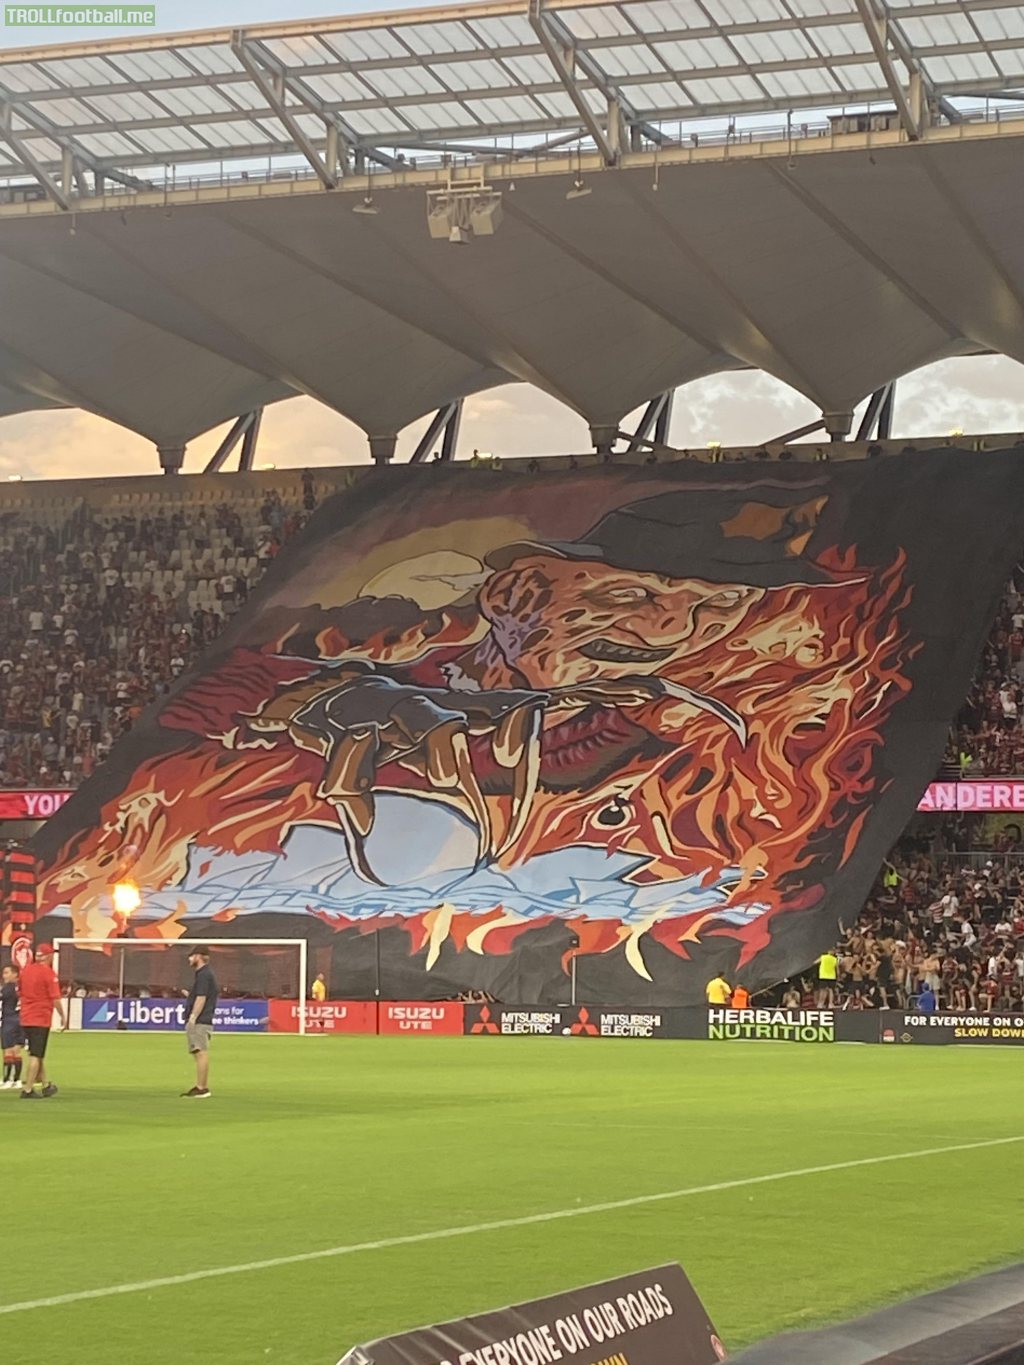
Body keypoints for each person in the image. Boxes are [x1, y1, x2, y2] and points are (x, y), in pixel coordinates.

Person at [18, 944, 67, 1100]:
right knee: (36, 1054)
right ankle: (27, 1089)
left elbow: (20, 992)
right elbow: (55, 997)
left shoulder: (26, 971)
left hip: (26, 1017)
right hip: (40, 1017)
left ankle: (46, 1085)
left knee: (36, 1053)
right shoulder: (48, 973)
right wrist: (63, 1016)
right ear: (48, 956)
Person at [181, 947, 218, 1099]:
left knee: (200, 1052)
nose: (189, 959)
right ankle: (200, 1086)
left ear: (198, 957)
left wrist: (193, 1017)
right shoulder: (205, 975)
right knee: (198, 1052)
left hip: (201, 1020)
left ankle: (202, 1087)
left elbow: (202, 998)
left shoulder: (204, 975)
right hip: (203, 1018)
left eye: (191, 956)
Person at [1, 964, 25, 1090]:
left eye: (7, 973)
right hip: (21, 1020)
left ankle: (6, 1080)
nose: (4, 976)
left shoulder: (8, 988)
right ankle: (17, 1080)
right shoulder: (21, 987)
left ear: (15, 974)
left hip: (9, 1020)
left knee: (8, 1050)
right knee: (17, 1050)